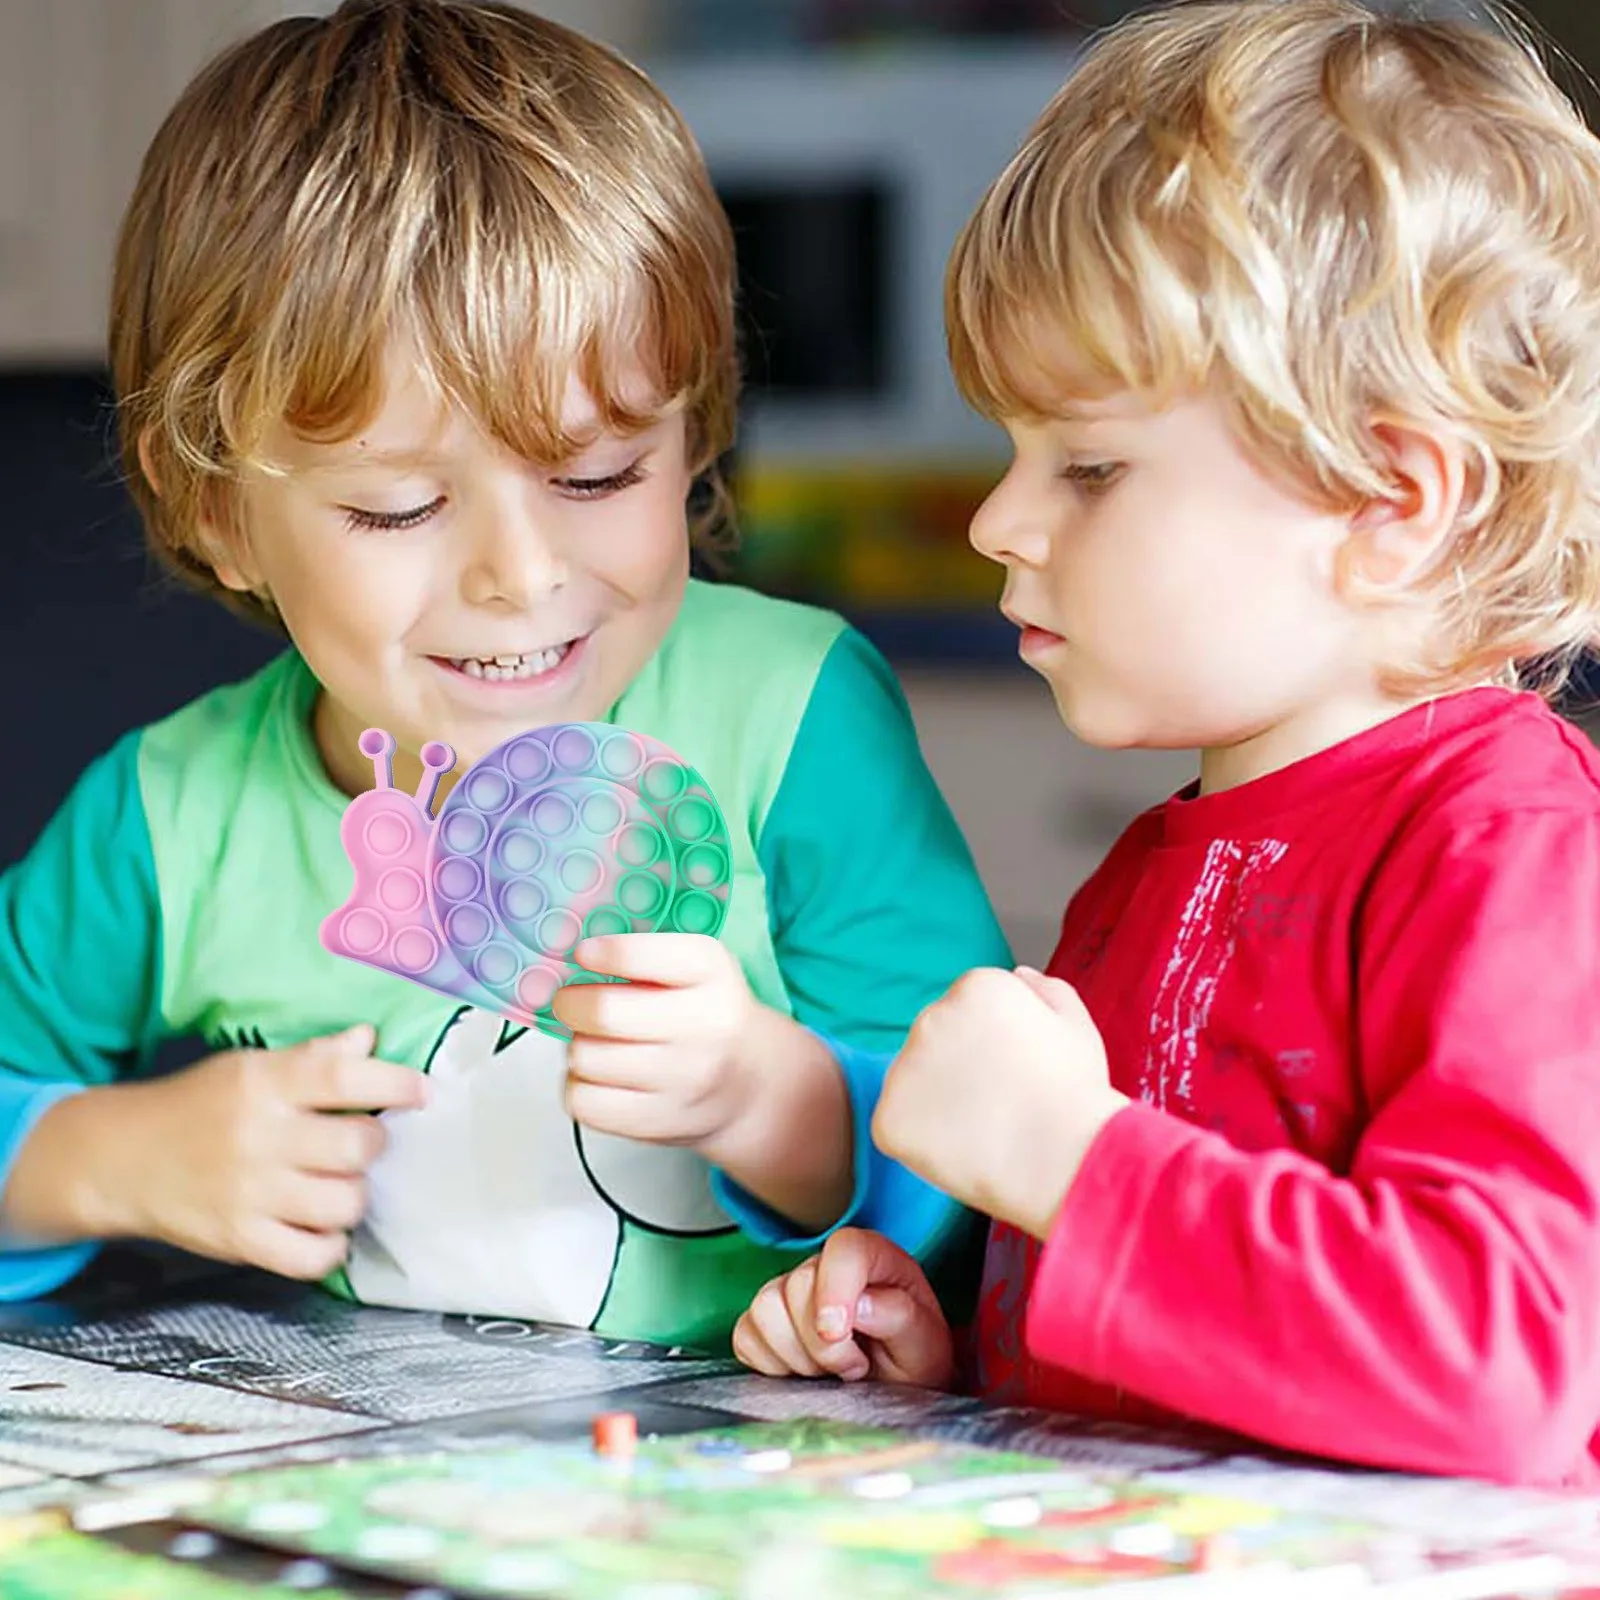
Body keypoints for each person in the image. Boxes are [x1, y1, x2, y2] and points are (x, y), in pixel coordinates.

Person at [0, 0, 1004, 1350]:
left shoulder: (793, 717)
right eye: (401, 507)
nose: (520, 577)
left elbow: (998, 1150)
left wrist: (777, 1106)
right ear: (220, 511)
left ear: (694, 435)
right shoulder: (170, 820)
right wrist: (108, 1158)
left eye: (597, 477)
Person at [731, 0, 1600, 1485]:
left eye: (1088, 467)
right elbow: (1199, 1339)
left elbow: (1497, 1362)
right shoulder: (1158, 860)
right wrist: (959, 1355)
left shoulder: (1514, 852)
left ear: (1391, 505)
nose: (998, 522)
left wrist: (1069, 1161)